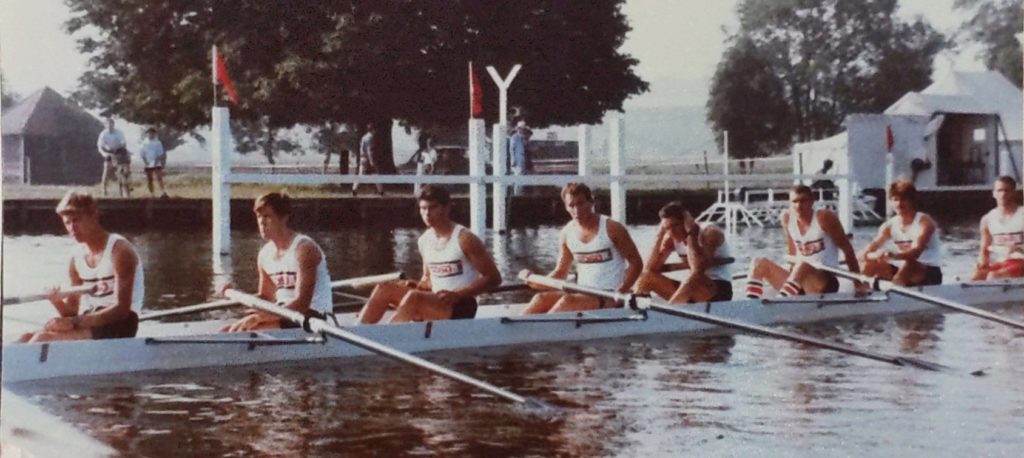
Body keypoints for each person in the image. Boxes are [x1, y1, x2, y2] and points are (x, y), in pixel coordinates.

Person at [358, 185, 501, 324]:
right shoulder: (424, 240)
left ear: (447, 208)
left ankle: (388, 337)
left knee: (414, 297)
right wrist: (416, 284)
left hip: (461, 305)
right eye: (423, 208)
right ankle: (358, 332)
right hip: (435, 300)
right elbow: (428, 280)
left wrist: (458, 294)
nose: (427, 214)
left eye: (433, 208)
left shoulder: (465, 239)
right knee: (385, 288)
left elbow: (493, 278)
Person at [18, 191, 144, 343]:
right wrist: (56, 301)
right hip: (91, 319)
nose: (72, 228)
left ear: (93, 216)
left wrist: (72, 323)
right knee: (25, 338)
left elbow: (121, 310)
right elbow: (71, 314)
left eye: (76, 220)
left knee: (42, 339)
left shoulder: (120, 250)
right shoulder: (76, 258)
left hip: (120, 324)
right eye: (67, 223)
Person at [520, 182, 643, 313]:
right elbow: (560, 273)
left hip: (610, 295)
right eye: (571, 205)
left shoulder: (613, 229)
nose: (577, 210)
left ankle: (540, 330)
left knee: (566, 302)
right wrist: (532, 279)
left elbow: (636, 264)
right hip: (583, 293)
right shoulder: (566, 233)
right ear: (566, 207)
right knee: (540, 298)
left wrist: (620, 292)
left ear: (591, 202)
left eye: (581, 203)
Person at [221, 192, 334, 332]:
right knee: (226, 330)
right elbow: (266, 297)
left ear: (284, 218)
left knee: (246, 331)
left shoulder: (304, 249)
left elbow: (301, 304)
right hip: (284, 313)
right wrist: (237, 297)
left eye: (267, 216)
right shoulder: (264, 254)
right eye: (259, 216)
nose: (261, 222)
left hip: (314, 317)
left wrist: (258, 318)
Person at [745, 185, 864, 298]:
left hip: (824, 281)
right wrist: (789, 273)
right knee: (758, 262)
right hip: (799, 279)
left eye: (803, 201)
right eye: (794, 202)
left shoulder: (824, 218)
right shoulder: (786, 218)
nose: (799, 206)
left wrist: (858, 283)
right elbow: (791, 252)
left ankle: (783, 302)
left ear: (812, 202)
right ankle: (750, 303)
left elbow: (847, 249)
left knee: (803, 265)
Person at [634, 201, 733, 303]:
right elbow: (650, 268)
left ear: (686, 222)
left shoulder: (710, 233)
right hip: (691, 290)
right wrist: (659, 236)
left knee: (693, 277)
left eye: (675, 225)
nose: (672, 232)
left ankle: (669, 312)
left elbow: (698, 268)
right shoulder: (671, 238)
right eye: (667, 228)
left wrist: (691, 234)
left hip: (718, 290)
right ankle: (639, 312)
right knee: (646, 277)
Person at [859, 180, 943, 286]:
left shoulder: (924, 221)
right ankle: (861, 292)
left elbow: (915, 252)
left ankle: (895, 293)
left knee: (909, 263)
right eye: (895, 200)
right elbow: (871, 247)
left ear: (912, 201)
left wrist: (892, 255)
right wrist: (868, 254)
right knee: (870, 263)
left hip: (928, 272)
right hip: (902, 268)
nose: (899, 204)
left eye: (903, 200)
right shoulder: (889, 225)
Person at [973, 176, 1024, 280]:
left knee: (993, 276)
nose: (1003, 194)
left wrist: (1019, 249)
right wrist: (982, 263)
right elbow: (984, 251)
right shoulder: (987, 219)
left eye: (1007, 191)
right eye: (999, 191)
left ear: (1014, 192)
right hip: (1003, 262)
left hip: (1021, 261)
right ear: (994, 193)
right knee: (976, 276)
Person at [96, 117, 129, 197]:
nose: (110, 126)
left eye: (111, 124)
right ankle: (104, 189)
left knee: (124, 171)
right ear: (105, 125)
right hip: (108, 152)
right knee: (106, 169)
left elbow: (123, 142)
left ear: (113, 124)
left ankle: (126, 191)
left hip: (119, 151)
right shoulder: (103, 134)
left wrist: (119, 148)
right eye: (108, 124)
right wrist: (106, 154)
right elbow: (100, 146)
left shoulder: (119, 132)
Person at [352, 124, 385, 197]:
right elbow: (369, 150)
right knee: (376, 175)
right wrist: (371, 161)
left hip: (362, 158)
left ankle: (354, 189)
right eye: (375, 130)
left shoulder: (364, 137)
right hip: (367, 159)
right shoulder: (370, 138)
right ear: (373, 130)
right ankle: (381, 191)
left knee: (361, 175)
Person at [138, 127, 168, 198]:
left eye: (152, 133)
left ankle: (163, 192)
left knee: (159, 178)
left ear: (154, 134)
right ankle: (152, 194)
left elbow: (160, 154)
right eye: (149, 133)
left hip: (156, 163)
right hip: (148, 164)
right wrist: (146, 162)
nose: (150, 134)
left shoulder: (157, 142)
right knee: (149, 179)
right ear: (147, 134)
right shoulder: (144, 143)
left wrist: (156, 162)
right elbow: (142, 154)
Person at [509, 121, 530, 196]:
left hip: (523, 161)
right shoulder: (514, 137)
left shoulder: (524, 137)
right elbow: (511, 150)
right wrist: (513, 160)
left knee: (522, 178)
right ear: (518, 129)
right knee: (518, 177)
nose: (522, 130)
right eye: (521, 128)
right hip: (517, 161)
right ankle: (517, 194)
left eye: (523, 129)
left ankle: (520, 193)